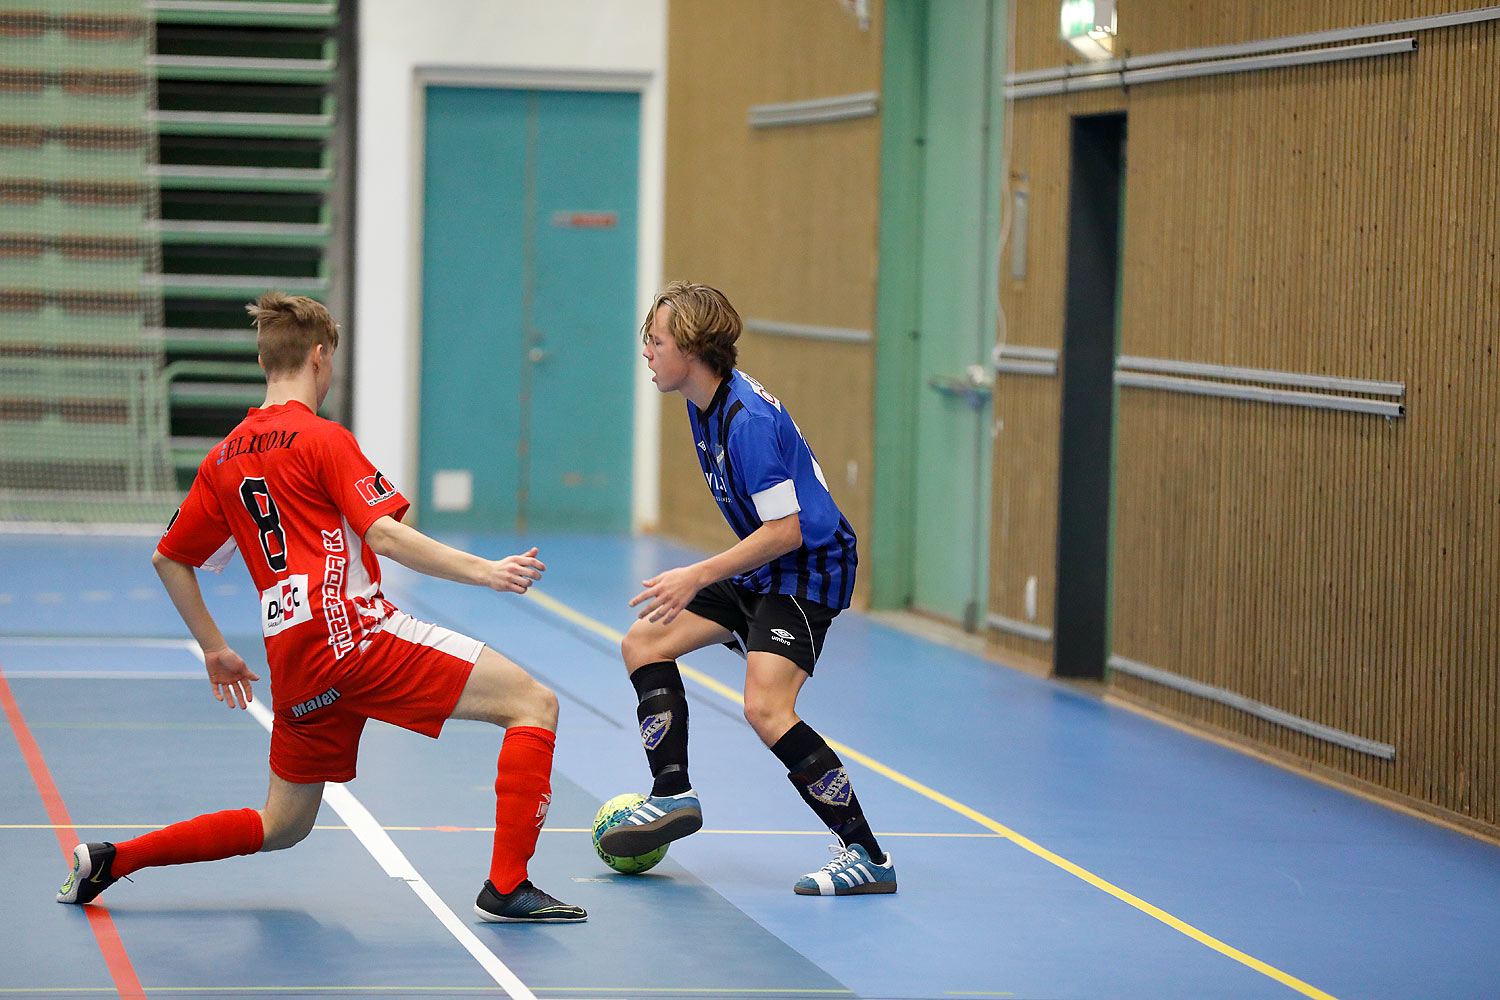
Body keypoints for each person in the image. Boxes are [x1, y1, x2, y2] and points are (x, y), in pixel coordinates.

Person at [56, 292, 586, 923]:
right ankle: (507, 885)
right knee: (534, 703)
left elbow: (169, 559)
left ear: (262, 360)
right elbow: (383, 534)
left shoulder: (222, 458)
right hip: (356, 636)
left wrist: (215, 648)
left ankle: (115, 858)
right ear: (320, 356)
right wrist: (486, 571)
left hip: (297, 660)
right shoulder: (324, 439)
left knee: (283, 823)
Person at [598, 281, 896, 896]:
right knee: (643, 644)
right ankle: (672, 793)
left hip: (807, 568)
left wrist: (698, 573)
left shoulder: (747, 422)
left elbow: (786, 531)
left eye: (655, 341)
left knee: (766, 708)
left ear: (691, 349)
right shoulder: (699, 401)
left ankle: (867, 856)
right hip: (762, 567)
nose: (646, 353)